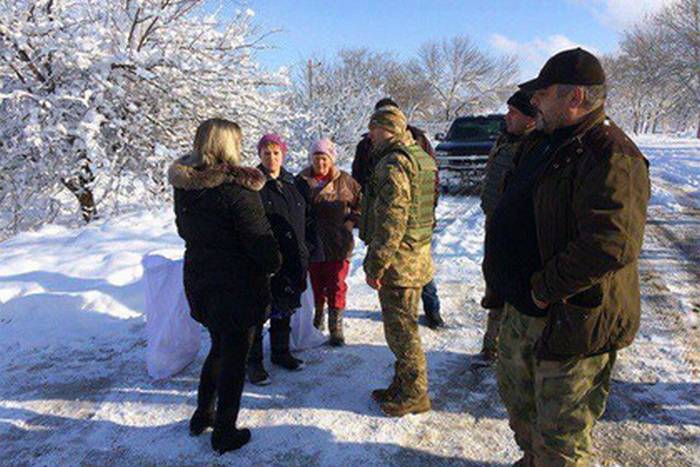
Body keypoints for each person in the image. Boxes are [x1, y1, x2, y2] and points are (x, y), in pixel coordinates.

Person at [484, 48, 650, 466]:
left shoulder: (610, 154)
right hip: (523, 310)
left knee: (561, 437)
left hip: (568, 319)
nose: (533, 102)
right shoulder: (542, 142)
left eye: (543, 94)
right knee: (522, 410)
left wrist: (541, 290)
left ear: (574, 97)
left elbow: (610, 244)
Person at [169, 118, 281, 454]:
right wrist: (274, 264)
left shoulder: (185, 187)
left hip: (201, 279)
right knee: (234, 356)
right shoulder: (237, 191)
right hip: (237, 287)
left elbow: (182, 230)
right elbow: (262, 246)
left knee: (218, 347)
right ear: (227, 146)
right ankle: (224, 431)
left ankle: (203, 413)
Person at [361, 105, 437, 417]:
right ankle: (402, 384)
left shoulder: (394, 163)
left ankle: (415, 394)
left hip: (400, 263)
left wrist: (376, 264)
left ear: (387, 129)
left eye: (374, 129)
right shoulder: (418, 156)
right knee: (402, 329)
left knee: (402, 332)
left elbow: (392, 221)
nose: (370, 135)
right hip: (415, 256)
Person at [354, 97, 445, 329]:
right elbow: (359, 178)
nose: (371, 133)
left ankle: (433, 311)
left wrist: (424, 211)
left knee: (403, 326)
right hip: (401, 227)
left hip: (402, 235)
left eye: (375, 126)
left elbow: (428, 183)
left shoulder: (408, 148)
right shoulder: (370, 145)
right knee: (417, 277)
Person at [247, 133, 322, 386]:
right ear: (259, 156)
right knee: (258, 313)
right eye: (266, 153)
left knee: (284, 307)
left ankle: (280, 353)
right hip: (265, 260)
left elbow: (310, 219)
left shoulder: (295, 183)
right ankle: (254, 362)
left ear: (283, 155)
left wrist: (310, 248)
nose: (271, 158)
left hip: (293, 258)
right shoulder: (251, 185)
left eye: (276, 152)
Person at [478, 90, 536, 362]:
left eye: (514, 112)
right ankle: (491, 344)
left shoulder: (533, 147)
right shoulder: (505, 140)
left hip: (515, 231)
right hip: (496, 224)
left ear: (530, 119)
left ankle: (506, 349)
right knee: (494, 283)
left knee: (510, 288)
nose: (507, 116)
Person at [297, 138, 362, 346]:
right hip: (313, 242)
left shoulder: (345, 180)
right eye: (316, 158)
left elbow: (361, 205)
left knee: (336, 283)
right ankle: (317, 318)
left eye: (324, 158)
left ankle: (336, 326)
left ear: (331, 159)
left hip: (338, 242)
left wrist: (351, 223)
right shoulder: (302, 181)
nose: (321, 163)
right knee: (315, 283)